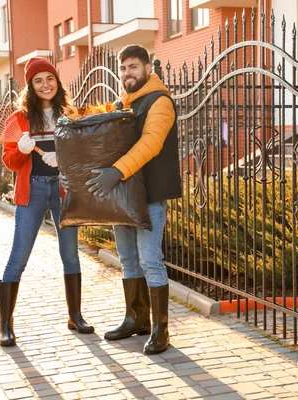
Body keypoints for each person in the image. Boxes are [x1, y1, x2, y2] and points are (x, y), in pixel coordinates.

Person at [83, 44, 181, 354]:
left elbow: (151, 143)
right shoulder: (120, 104)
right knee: (128, 260)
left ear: (148, 69)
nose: (128, 73)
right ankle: (136, 319)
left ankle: (160, 330)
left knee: (150, 259)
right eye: (123, 68)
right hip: (122, 196)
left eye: (134, 67)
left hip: (149, 194)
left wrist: (116, 171)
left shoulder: (160, 102)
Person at [0, 57, 94, 347]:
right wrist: (23, 151)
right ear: (30, 86)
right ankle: (5, 325)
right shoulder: (18, 119)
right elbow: (9, 161)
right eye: (38, 80)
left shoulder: (70, 114)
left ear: (57, 81)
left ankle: (75, 316)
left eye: (49, 78)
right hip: (33, 191)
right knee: (19, 256)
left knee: (70, 254)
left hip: (64, 190)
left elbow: (85, 152)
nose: (45, 85)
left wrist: (62, 159)